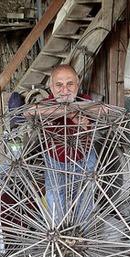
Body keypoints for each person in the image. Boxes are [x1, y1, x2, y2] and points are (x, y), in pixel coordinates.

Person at [38, 64, 97, 226]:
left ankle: (82, 238)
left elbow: (101, 110)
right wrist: (72, 114)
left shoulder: (86, 101)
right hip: (55, 162)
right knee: (56, 200)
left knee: (84, 200)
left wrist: (83, 115)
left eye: (70, 84)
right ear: (51, 87)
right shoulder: (45, 105)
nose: (65, 90)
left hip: (84, 159)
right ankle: (60, 239)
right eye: (59, 85)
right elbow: (30, 113)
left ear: (77, 86)